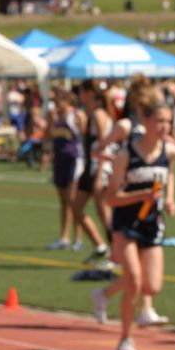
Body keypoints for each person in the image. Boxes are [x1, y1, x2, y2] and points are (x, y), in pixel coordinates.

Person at [93, 101, 175, 350]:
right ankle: (126, 338)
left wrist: (170, 198)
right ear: (147, 123)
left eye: (169, 122)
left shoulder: (170, 150)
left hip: (153, 224)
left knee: (152, 286)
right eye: (159, 121)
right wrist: (140, 195)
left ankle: (104, 294)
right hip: (126, 224)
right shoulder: (125, 155)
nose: (164, 127)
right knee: (134, 281)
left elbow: (169, 174)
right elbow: (111, 198)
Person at [73, 80, 112, 265]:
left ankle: (116, 253)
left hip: (99, 167)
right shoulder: (89, 114)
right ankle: (100, 246)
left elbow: (105, 144)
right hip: (90, 166)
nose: (78, 95)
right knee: (76, 208)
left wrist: (100, 174)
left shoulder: (98, 114)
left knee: (104, 212)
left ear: (89, 93)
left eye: (80, 91)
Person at [47, 90, 86, 250]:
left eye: (58, 101)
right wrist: (50, 121)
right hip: (59, 160)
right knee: (63, 200)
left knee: (73, 199)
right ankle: (64, 237)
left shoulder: (77, 115)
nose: (56, 104)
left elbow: (84, 137)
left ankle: (78, 238)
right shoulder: (55, 116)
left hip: (74, 159)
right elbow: (50, 135)